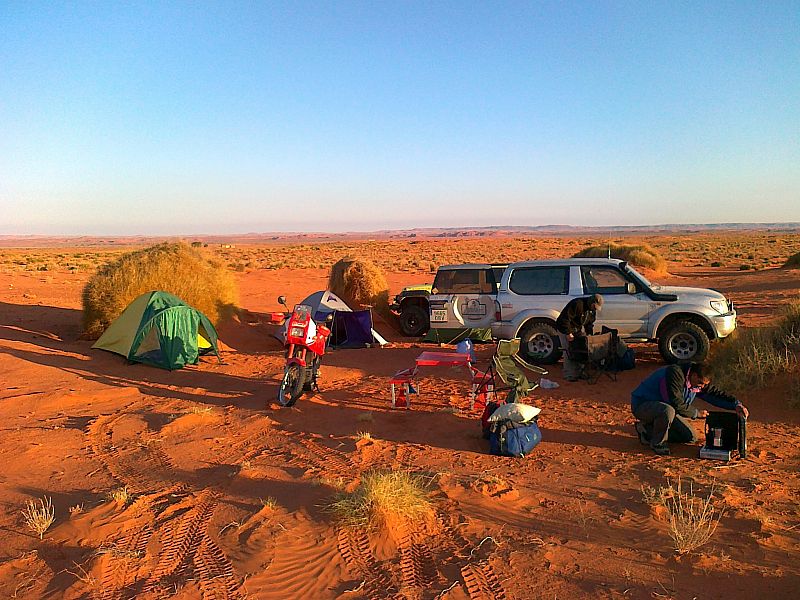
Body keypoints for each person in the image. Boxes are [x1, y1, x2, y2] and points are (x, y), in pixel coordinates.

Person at [630, 362, 749, 456]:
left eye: (704, 385)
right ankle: (658, 443)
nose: (701, 387)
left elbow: (714, 395)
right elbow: (676, 403)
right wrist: (696, 413)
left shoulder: (696, 382)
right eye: (700, 383)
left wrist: (736, 405)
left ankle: (646, 430)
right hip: (643, 405)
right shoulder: (675, 374)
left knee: (690, 437)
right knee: (668, 411)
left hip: (666, 408)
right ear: (694, 375)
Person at [555, 293, 604, 381]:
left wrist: (589, 335)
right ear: (591, 302)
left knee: (580, 348)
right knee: (568, 350)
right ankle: (569, 374)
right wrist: (568, 333)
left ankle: (579, 372)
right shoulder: (577, 304)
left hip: (576, 329)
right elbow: (565, 319)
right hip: (564, 328)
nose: (594, 309)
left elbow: (589, 324)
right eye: (594, 306)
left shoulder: (592, 311)